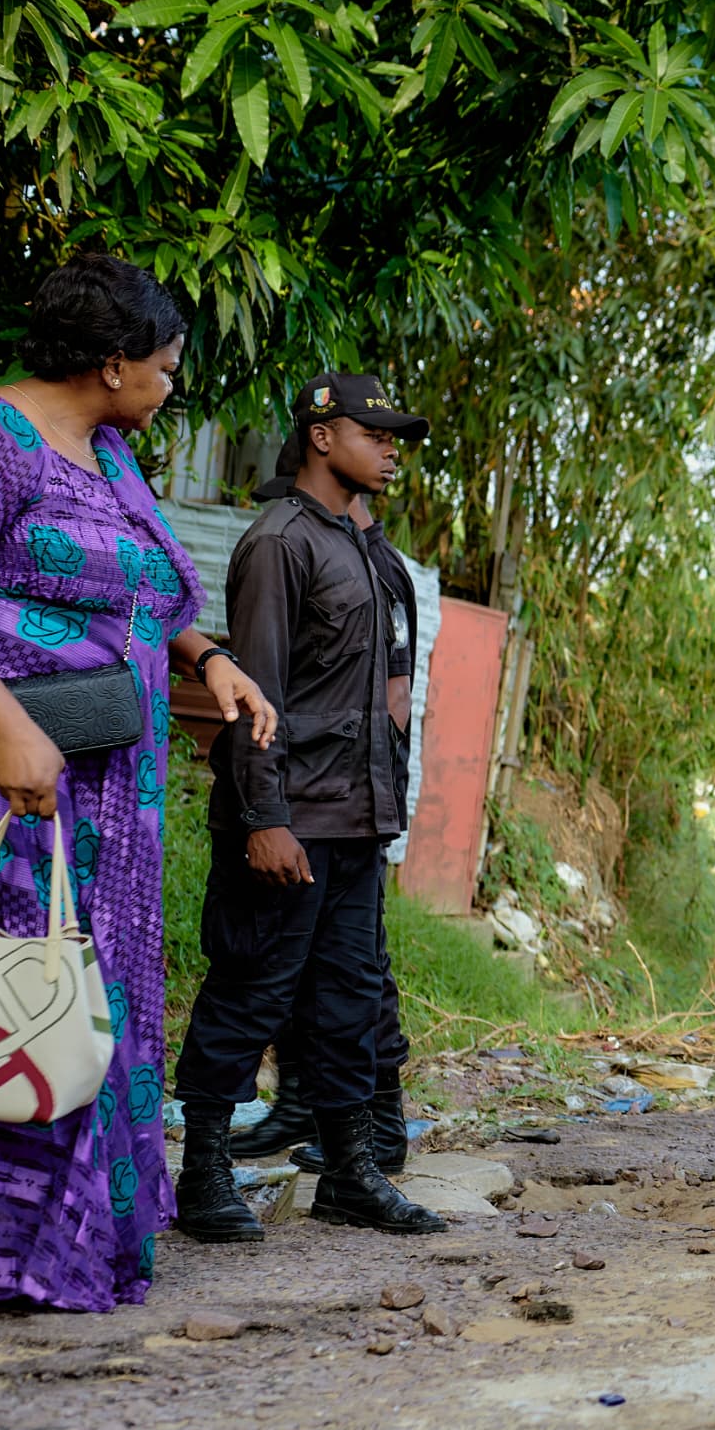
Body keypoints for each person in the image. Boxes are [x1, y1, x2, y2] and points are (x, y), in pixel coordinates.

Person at [0, 253, 275, 1308]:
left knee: (78, 996)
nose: (171, 386)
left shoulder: (109, 452)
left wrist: (208, 657)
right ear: (113, 363)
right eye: (165, 367)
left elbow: (142, 593)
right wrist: (9, 725)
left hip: (112, 798)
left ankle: (61, 1241)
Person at [171, 373, 444, 1239]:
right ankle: (203, 1175)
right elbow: (254, 693)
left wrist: (382, 810)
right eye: (377, 434)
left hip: (356, 820)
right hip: (291, 820)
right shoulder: (280, 542)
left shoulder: (363, 545)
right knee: (250, 991)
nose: (392, 451)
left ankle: (350, 1174)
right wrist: (265, 819)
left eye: (396, 438)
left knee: (348, 1001)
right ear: (323, 437)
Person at [231, 462, 423, 1175]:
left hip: (351, 795)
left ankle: (382, 1124)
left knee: (360, 967)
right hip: (309, 790)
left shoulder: (380, 567)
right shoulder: (298, 544)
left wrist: (364, 784)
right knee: (296, 960)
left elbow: (396, 692)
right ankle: (299, 1104)